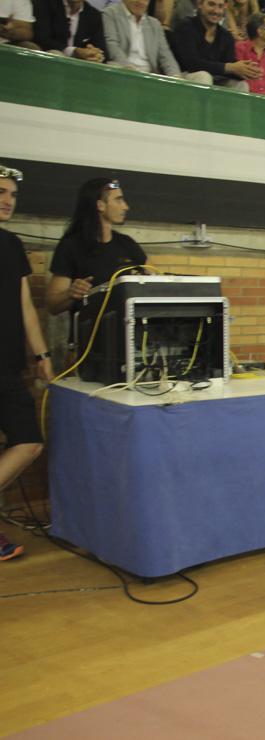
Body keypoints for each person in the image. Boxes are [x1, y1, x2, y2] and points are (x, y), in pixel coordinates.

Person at [0, 165, 54, 562]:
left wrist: (42, 355)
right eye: (1, 192)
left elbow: (24, 307)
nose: (7, 200)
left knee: (29, 443)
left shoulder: (11, 244)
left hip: (8, 367)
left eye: (12, 195)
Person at [46, 178, 148, 317]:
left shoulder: (127, 244)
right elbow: (52, 305)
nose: (125, 206)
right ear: (100, 205)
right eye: (118, 200)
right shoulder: (70, 247)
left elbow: (155, 276)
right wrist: (71, 293)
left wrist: (143, 278)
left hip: (127, 333)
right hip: (89, 335)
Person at [171, 0, 254, 90]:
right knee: (203, 76)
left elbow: (230, 68)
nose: (216, 11)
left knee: (241, 85)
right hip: (183, 77)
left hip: (214, 79)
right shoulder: (186, 27)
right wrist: (229, 67)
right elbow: (192, 64)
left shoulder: (226, 36)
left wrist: (245, 71)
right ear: (200, 4)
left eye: (220, 6)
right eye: (211, 4)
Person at [103, 0, 190, 77]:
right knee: (114, 67)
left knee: (199, 76)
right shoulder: (110, 14)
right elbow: (112, 45)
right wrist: (127, 67)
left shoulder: (154, 24)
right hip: (122, 69)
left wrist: (175, 76)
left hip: (149, 74)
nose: (140, 2)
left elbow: (165, 56)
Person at [31, 0, 107, 61]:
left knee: (112, 64)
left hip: (81, 61)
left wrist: (97, 55)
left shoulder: (94, 15)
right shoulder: (45, 3)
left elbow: (102, 49)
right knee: (55, 54)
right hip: (49, 55)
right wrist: (75, 51)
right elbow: (42, 39)